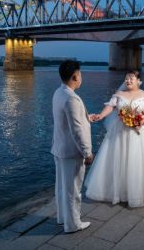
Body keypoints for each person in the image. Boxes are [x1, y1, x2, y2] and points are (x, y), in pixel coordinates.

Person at [85, 70, 144, 207]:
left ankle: (137, 194)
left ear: (139, 81)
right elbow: (110, 107)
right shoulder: (119, 95)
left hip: (140, 132)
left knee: (137, 161)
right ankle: (119, 192)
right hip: (120, 132)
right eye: (126, 78)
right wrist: (100, 116)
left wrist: (140, 122)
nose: (128, 81)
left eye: (131, 78)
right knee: (119, 159)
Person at [51, 60, 94, 233]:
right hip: (72, 152)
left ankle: (63, 218)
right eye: (80, 74)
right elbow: (77, 131)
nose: (81, 77)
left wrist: (87, 118)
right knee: (74, 191)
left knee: (61, 187)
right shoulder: (71, 99)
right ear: (75, 76)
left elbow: (66, 120)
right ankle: (73, 224)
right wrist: (87, 152)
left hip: (59, 148)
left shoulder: (59, 92)